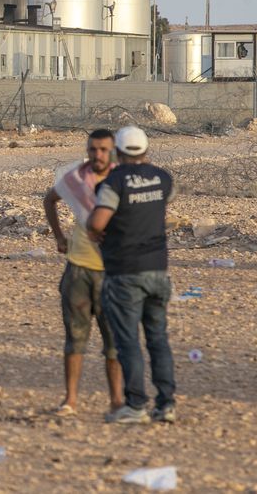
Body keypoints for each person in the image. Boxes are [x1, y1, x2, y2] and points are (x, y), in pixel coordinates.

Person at [88, 125, 177, 425]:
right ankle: (166, 405)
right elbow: (163, 201)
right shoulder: (163, 177)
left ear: (117, 152)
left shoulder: (114, 182)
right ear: (146, 149)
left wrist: (93, 231)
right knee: (158, 340)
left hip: (125, 270)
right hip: (158, 270)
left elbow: (99, 222)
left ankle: (136, 405)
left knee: (128, 342)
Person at [43, 128, 123, 417]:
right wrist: (59, 238)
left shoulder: (122, 179)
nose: (97, 155)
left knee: (114, 343)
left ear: (112, 151)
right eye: (93, 149)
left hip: (112, 272)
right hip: (78, 270)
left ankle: (116, 401)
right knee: (75, 339)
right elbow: (50, 199)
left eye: (103, 149)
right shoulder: (77, 179)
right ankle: (70, 400)